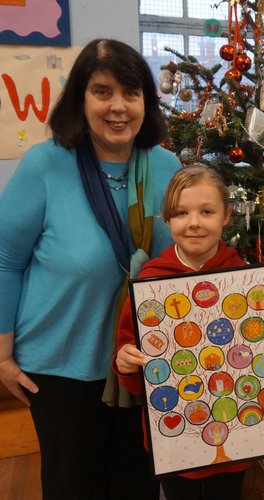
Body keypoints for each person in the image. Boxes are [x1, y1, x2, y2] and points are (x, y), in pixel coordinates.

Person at [0, 39, 181, 499]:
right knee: (72, 487)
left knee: (136, 485)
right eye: (102, 92)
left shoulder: (166, 167)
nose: (118, 107)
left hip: (144, 362)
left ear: (146, 101)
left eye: (131, 92)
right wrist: (1, 357)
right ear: (80, 98)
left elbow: (183, 261)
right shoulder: (45, 165)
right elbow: (5, 261)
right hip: (60, 369)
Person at [115, 166, 264, 500]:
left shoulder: (246, 279)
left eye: (206, 211)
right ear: (167, 220)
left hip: (236, 433)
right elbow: (130, 359)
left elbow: (262, 351)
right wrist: (126, 363)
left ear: (226, 216)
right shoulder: (150, 284)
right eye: (181, 213)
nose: (194, 222)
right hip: (176, 440)